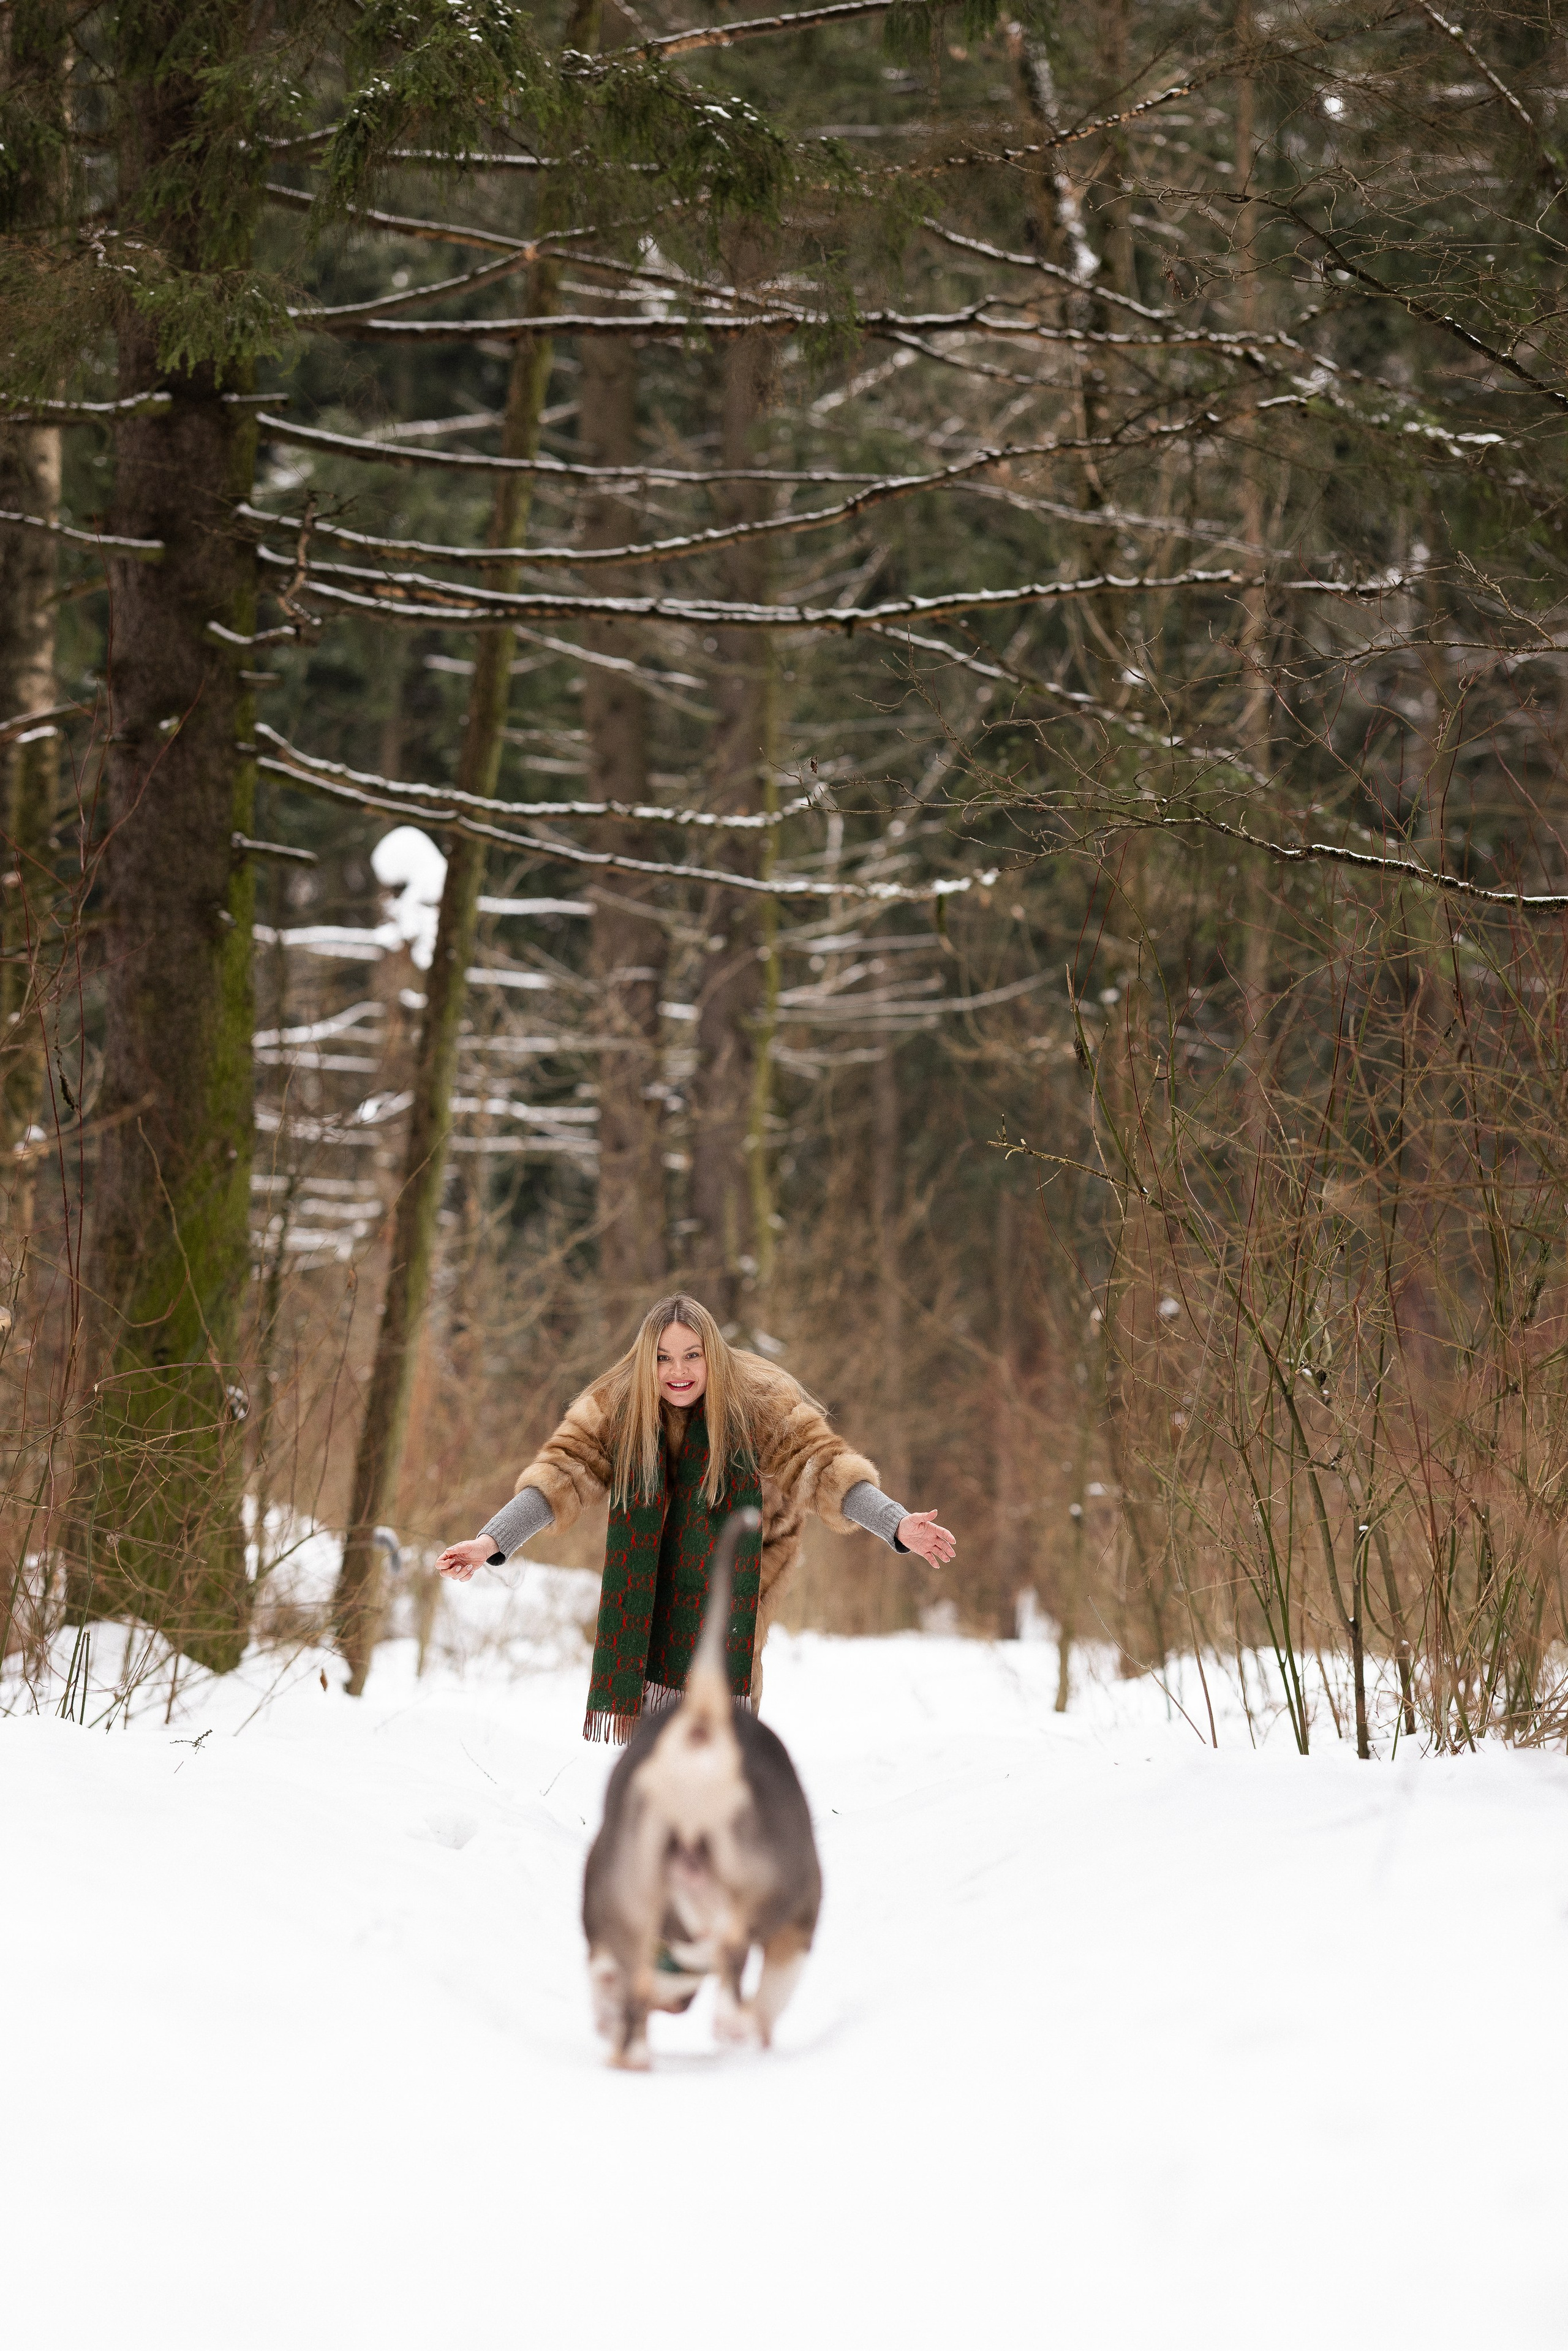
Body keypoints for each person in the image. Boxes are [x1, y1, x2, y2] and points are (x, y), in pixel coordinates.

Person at [437, 1292, 956, 1743]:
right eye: (663, 1358)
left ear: (714, 1356)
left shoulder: (758, 1400)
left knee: (720, 1683)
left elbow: (823, 1467)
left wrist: (895, 1522)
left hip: (748, 1555)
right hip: (657, 1563)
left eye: (692, 1356)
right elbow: (563, 1473)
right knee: (657, 1705)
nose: (678, 1372)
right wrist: (491, 1541)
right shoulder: (618, 1403)